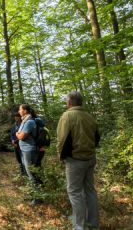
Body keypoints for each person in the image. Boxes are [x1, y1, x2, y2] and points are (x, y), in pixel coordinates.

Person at [57, 91, 100, 230]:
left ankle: (79, 226)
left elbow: (62, 140)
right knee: (90, 191)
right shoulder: (89, 116)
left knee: (75, 192)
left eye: (66, 101)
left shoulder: (67, 116)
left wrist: (61, 157)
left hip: (75, 160)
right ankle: (93, 225)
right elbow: (97, 137)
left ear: (69, 102)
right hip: (90, 158)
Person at [15, 104, 40, 185]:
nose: (19, 111)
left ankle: (36, 195)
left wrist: (17, 134)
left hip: (29, 150)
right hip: (24, 149)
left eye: (20, 109)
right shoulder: (24, 121)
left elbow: (21, 136)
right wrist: (18, 134)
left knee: (31, 172)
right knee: (28, 170)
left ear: (25, 111)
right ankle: (33, 190)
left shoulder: (29, 122)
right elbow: (20, 134)